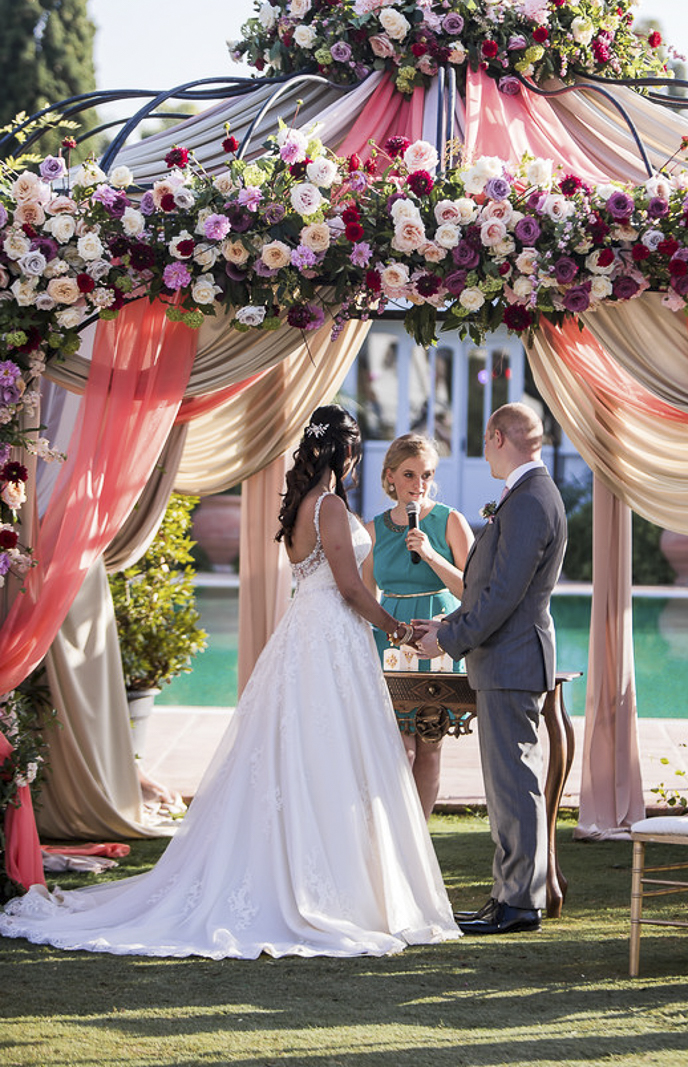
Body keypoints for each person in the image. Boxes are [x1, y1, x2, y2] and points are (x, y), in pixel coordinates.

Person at [0, 407, 460, 959]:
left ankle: (315, 871)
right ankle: (328, 886)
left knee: (304, 752)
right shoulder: (332, 505)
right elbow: (349, 590)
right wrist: (399, 631)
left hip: (307, 635)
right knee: (329, 753)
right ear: (346, 453)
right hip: (330, 638)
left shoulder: (299, 508)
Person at [414, 403, 568, 936]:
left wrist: (450, 640)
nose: (484, 454)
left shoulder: (528, 501)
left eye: (484, 444)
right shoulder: (526, 496)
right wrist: (448, 624)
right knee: (505, 786)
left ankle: (520, 903)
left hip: (512, 658)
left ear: (497, 437)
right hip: (506, 658)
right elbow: (489, 587)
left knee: (514, 784)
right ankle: (506, 894)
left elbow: (505, 595)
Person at [362, 434, 474, 817]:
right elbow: (363, 599)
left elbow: (475, 591)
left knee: (429, 744)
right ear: (390, 476)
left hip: (438, 644)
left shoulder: (450, 521)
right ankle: (393, 836)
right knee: (398, 748)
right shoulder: (372, 530)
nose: (418, 484)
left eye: (425, 474)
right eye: (409, 474)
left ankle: (419, 842)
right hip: (390, 647)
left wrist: (429, 555)